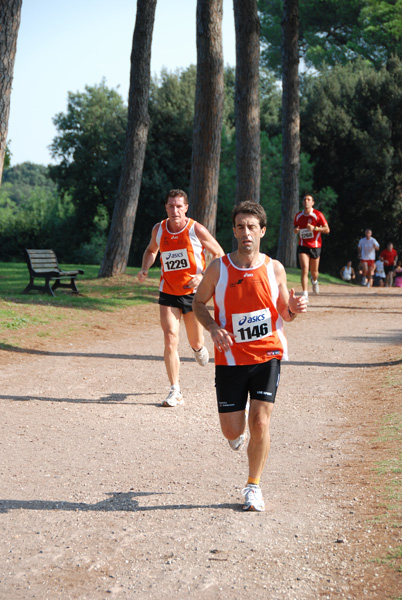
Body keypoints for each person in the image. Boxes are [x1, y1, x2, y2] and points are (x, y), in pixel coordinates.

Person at [193, 201, 307, 512]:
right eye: (241, 226)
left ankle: (253, 486)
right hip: (230, 359)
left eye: (252, 227)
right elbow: (197, 303)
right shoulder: (219, 268)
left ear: (262, 232)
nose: (246, 232)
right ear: (233, 231)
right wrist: (214, 328)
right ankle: (236, 435)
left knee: (259, 421)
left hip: (267, 355)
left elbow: (285, 311)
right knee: (233, 430)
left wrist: (293, 311)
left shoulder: (274, 269)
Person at [138, 189, 224, 407]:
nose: (175, 210)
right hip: (168, 292)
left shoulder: (196, 229)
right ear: (165, 207)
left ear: (186, 208)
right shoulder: (159, 229)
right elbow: (151, 250)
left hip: (193, 295)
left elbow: (219, 254)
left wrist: (202, 276)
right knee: (170, 337)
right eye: (170, 206)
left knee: (196, 342)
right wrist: (145, 268)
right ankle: (175, 390)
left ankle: (198, 349)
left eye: (179, 206)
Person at [294, 194, 330, 298]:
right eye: (304, 199)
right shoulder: (298, 216)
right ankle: (305, 293)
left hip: (315, 245)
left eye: (309, 200)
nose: (306, 201)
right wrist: (295, 230)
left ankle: (314, 280)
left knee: (314, 272)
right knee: (305, 268)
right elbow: (295, 228)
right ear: (302, 202)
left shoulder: (318, 215)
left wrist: (315, 228)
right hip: (303, 244)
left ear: (312, 203)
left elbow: (327, 229)